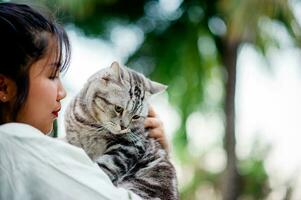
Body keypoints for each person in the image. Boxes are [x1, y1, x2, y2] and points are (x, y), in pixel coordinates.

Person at [0, 2, 168, 200]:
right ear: (4, 87)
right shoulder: (21, 146)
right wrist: (160, 159)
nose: (62, 92)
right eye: (53, 75)